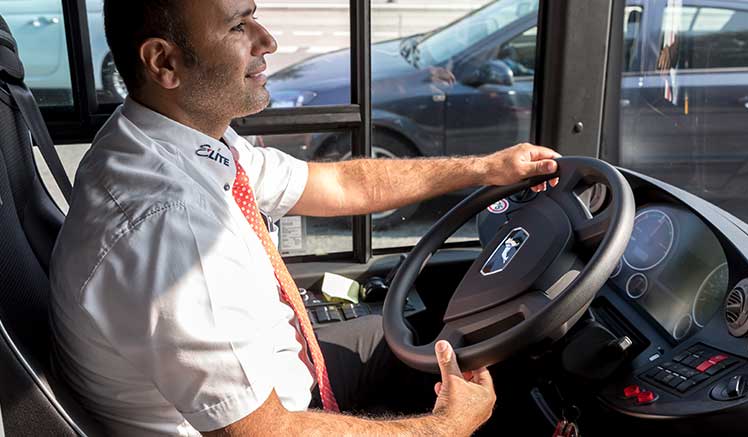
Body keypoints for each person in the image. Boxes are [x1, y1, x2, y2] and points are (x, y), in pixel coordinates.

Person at [49, 1, 560, 435]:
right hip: (267, 419)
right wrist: (443, 428)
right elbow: (265, 431)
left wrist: (485, 168)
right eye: (238, 26)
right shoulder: (170, 226)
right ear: (165, 62)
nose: (266, 41)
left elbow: (337, 184)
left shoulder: (180, 136)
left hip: (283, 368)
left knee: (439, 336)